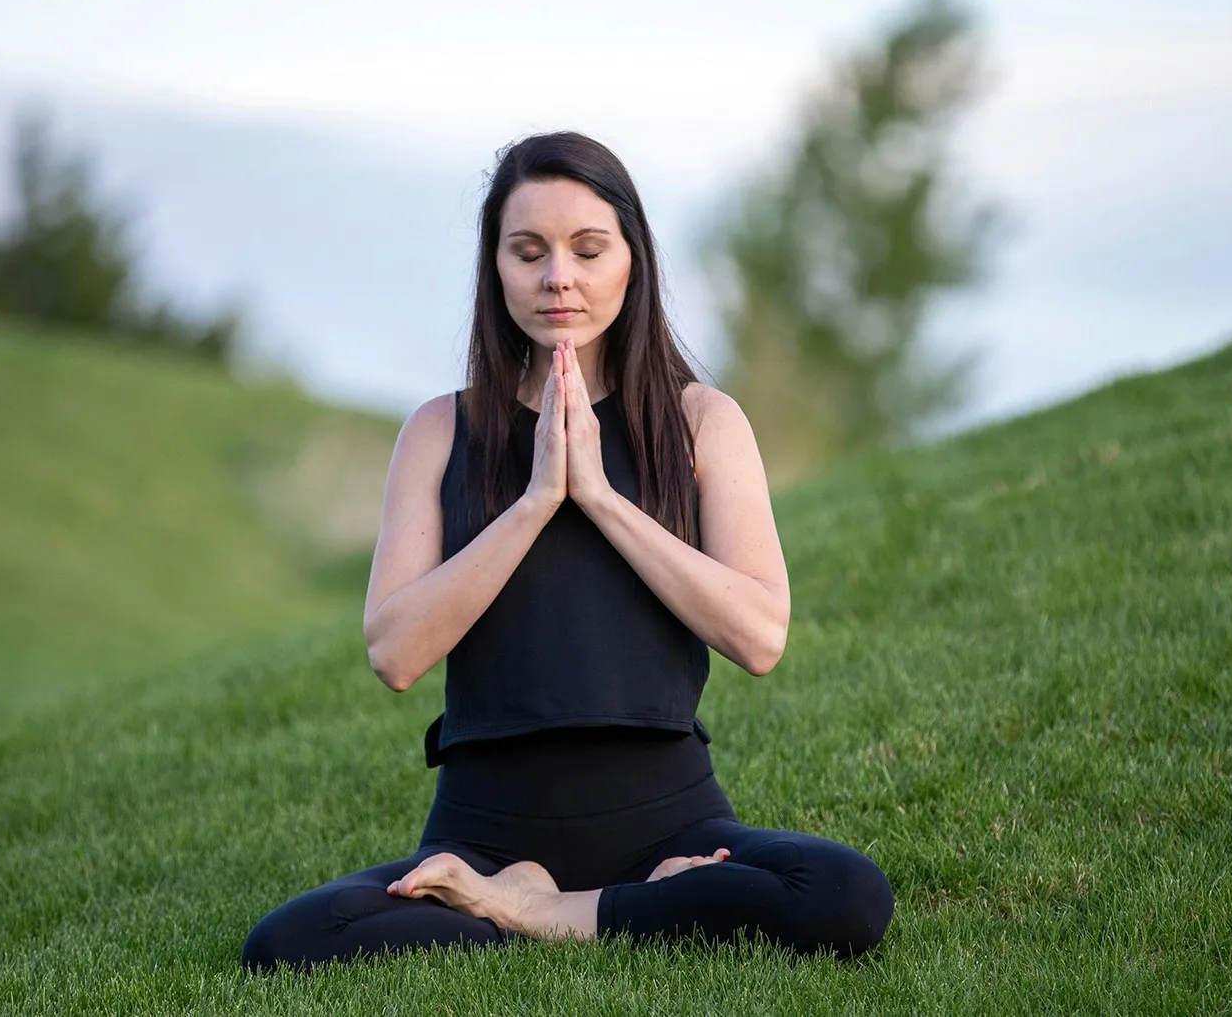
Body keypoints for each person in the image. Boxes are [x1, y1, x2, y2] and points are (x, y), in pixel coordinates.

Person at [240, 131, 893, 972]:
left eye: (588, 248)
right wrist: (538, 496)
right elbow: (394, 652)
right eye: (528, 251)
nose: (559, 276)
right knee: (287, 942)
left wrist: (601, 497)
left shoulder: (703, 423)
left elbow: (760, 636)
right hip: (484, 829)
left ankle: (541, 912)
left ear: (632, 260)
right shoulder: (439, 431)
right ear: (496, 267)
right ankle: (589, 902)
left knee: (845, 893)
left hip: (672, 819)